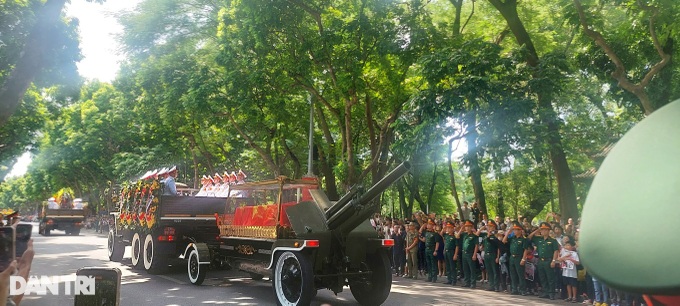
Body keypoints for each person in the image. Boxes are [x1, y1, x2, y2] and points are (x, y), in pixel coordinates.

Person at [529, 222, 560, 300]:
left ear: (548, 230)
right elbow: (529, 237)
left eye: (543, 230)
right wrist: (537, 230)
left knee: (550, 278)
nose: (542, 231)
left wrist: (553, 261)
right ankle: (546, 291)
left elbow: (556, 251)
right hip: (540, 261)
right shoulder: (539, 239)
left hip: (548, 260)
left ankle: (551, 293)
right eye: (541, 230)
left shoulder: (553, 240)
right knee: (542, 277)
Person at [503, 222, 531, 295]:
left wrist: (523, 259)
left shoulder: (523, 239)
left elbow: (525, 250)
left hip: (519, 257)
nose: (514, 231)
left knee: (520, 274)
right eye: (514, 230)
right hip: (512, 257)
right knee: (513, 274)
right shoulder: (512, 238)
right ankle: (514, 289)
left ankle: (522, 290)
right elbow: (504, 241)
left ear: (520, 231)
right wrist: (508, 232)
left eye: (516, 230)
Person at [478, 220, 501, 292]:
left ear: (494, 227)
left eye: (491, 226)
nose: (489, 227)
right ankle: (491, 285)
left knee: (495, 271)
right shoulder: (485, 235)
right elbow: (477, 234)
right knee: (489, 271)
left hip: (493, 254)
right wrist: (483, 227)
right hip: (486, 254)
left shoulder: (496, 235)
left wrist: (497, 257)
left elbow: (498, 248)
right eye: (488, 226)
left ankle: (496, 286)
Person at [458, 220, 479, 288]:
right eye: (466, 226)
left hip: (470, 253)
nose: (467, 228)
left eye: (468, 227)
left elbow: (476, 245)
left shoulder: (474, 236)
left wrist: (474, 254)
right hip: (464, 253)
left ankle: (473, 283)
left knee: (472, 269)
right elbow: (457, 236)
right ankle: (467, 282)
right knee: (465, 268)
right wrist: (461, 228)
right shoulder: (464, 234)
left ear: (471, 227)